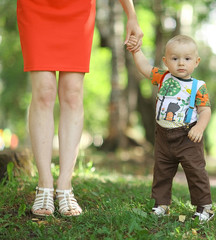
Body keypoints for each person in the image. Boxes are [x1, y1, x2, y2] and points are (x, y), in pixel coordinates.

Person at [17, 0, 143, 217]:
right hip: (35, 6)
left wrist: (131, 14)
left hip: (77, 9)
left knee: (73, 93)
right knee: (44, 92)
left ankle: (65, 186)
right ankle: (44, 184)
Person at [127, 35, 214, 222]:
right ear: (166, 61)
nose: (181, 63)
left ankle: (204, 207)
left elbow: (205, 110)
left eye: (187, 59)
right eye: (175, 59)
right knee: (162, 171)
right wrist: (136, 51)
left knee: (196, 171)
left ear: (196, 62)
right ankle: (161, 204)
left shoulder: (198, 87)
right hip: (163, 136)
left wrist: (200, 127)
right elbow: (144, 67)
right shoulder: (163, 77)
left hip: (188, 136)